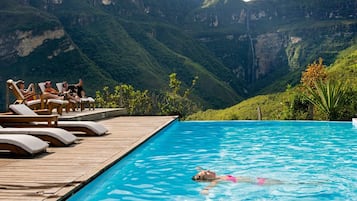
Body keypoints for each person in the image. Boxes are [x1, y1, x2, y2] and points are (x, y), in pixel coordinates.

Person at [192, 167, 283, 195]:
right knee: (285, 183)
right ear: (207, 178)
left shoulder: (216, 177)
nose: (209, 170)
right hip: (258, 182)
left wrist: (200, 169)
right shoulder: (216, 180)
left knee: (283, 182)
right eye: (207, 172)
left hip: (257, 180)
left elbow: (204, 175)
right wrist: (206, 189)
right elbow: (211, 185)